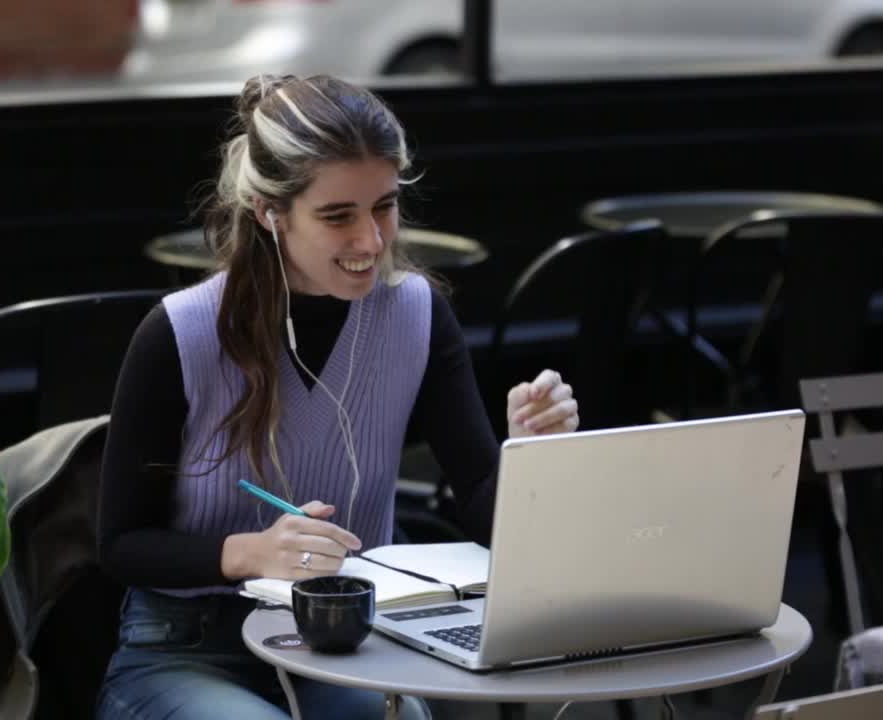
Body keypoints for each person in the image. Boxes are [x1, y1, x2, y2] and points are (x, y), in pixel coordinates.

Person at [96, 73, 578, 720]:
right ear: (271, 213)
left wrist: (531, 460)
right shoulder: (180, 333)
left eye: (384, 206)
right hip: (184, 651)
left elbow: (486, 514)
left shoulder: (416, 315)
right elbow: (121, 542)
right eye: (337, 216)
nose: (371, 242)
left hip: (349, 642)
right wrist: (252, 554)